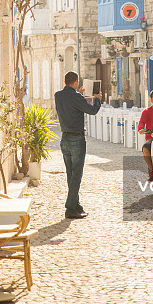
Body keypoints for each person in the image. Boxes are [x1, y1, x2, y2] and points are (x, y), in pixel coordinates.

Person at [55, 71, 102, 219]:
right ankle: (70, 208)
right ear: (75, 82)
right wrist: (98, 99)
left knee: (70, 174)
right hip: (77, 139)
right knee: (77, 174)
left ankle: (76, 205)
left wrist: (79, 94)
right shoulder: (76, 97)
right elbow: (92, 110)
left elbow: (72, 103)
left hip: (64, 139)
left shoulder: (58, 95)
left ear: (65, 82)